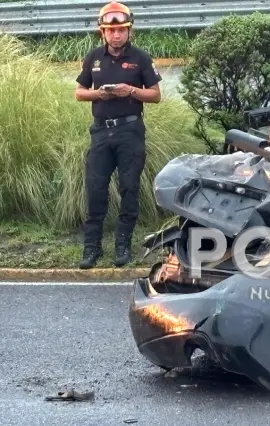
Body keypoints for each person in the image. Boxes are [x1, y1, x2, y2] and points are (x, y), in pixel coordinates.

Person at [74, 1, 162, 269]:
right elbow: (79, 92)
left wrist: (131, 90)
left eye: (122, 30)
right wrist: (99, 93)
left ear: (128, 31)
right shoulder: (94, 58)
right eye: (111, 31)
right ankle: (92, 249)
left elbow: (156, 95)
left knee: (129, 189)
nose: (116, 35)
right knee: (96, 189)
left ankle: (122, 246)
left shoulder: (141, 58)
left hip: (130, 131)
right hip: (101, 131)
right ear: (102, 32)